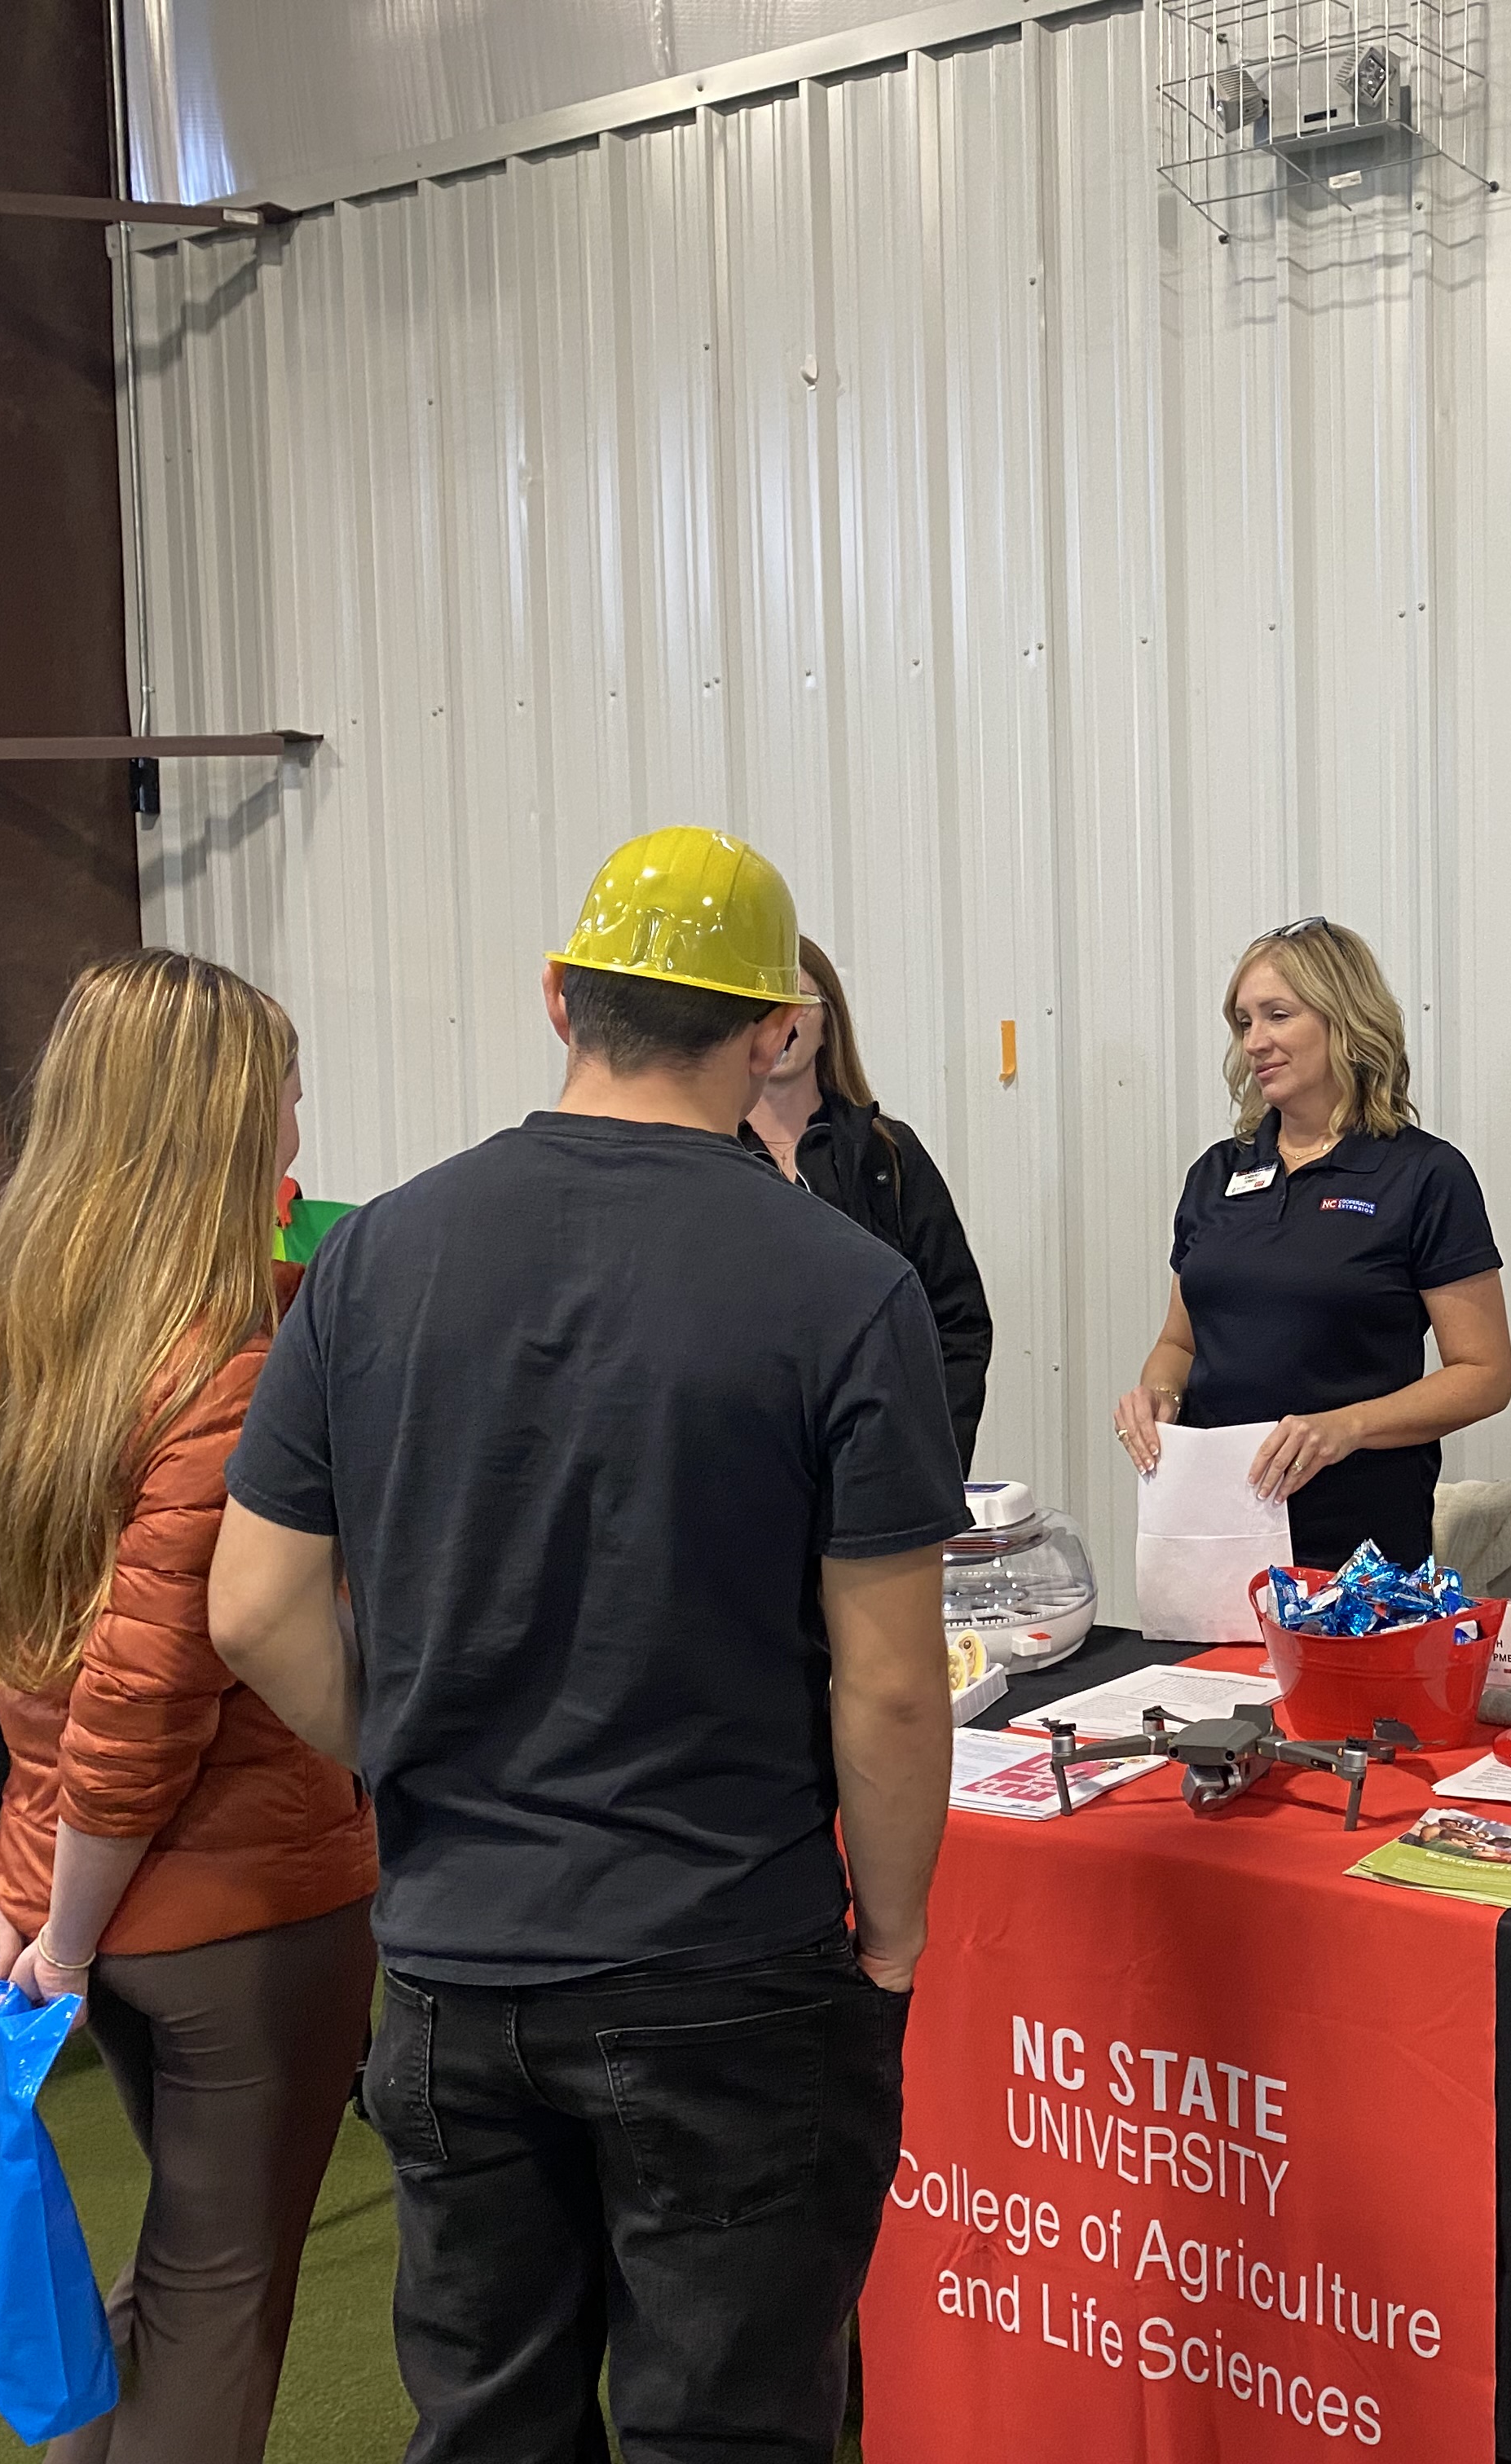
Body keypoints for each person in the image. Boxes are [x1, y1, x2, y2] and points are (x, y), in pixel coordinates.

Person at [207, 828, 965, 2464]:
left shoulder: (373, 1255)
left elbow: (250, 1608)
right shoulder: (843, 1287)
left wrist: (407, 1746)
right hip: (726, 1965)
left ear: (558, 996)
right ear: (773, 1032)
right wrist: (892, 1942)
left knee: (486, 2424)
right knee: (733, 2428)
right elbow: (896, 1682)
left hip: (452, 1964)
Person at [0, 948, 377, 2464]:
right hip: (230, 1922)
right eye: (281, 1089)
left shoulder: (14, 1346)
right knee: (221, 2303)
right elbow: (142, 1700)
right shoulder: (226, 1367)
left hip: (64, 1899)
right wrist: (68, 1931)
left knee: (176, 2275)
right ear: (219, 1120)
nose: (299, 1117)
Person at [1112, 917, 1511, 1571]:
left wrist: (1344, 1428)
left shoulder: (1423, 1175)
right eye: (1243, 1023)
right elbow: (1181, 1343)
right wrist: (1160, 1394)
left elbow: (1484, 1375)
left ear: (1345, 1021)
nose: (1255, 1043)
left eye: (1277, 1015)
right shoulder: (1217, 1173)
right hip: (1217, 1528)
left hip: (1357, 1539)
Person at [743, 933, 993, 1467]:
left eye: (799, 1000)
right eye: (763, 1001)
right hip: (749, 1469)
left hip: (876, 1467)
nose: (782, 1017)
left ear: (828, 1018)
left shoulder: (889, 1155)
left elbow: (959, 1321)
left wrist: (933, 1460)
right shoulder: (708, 1158)